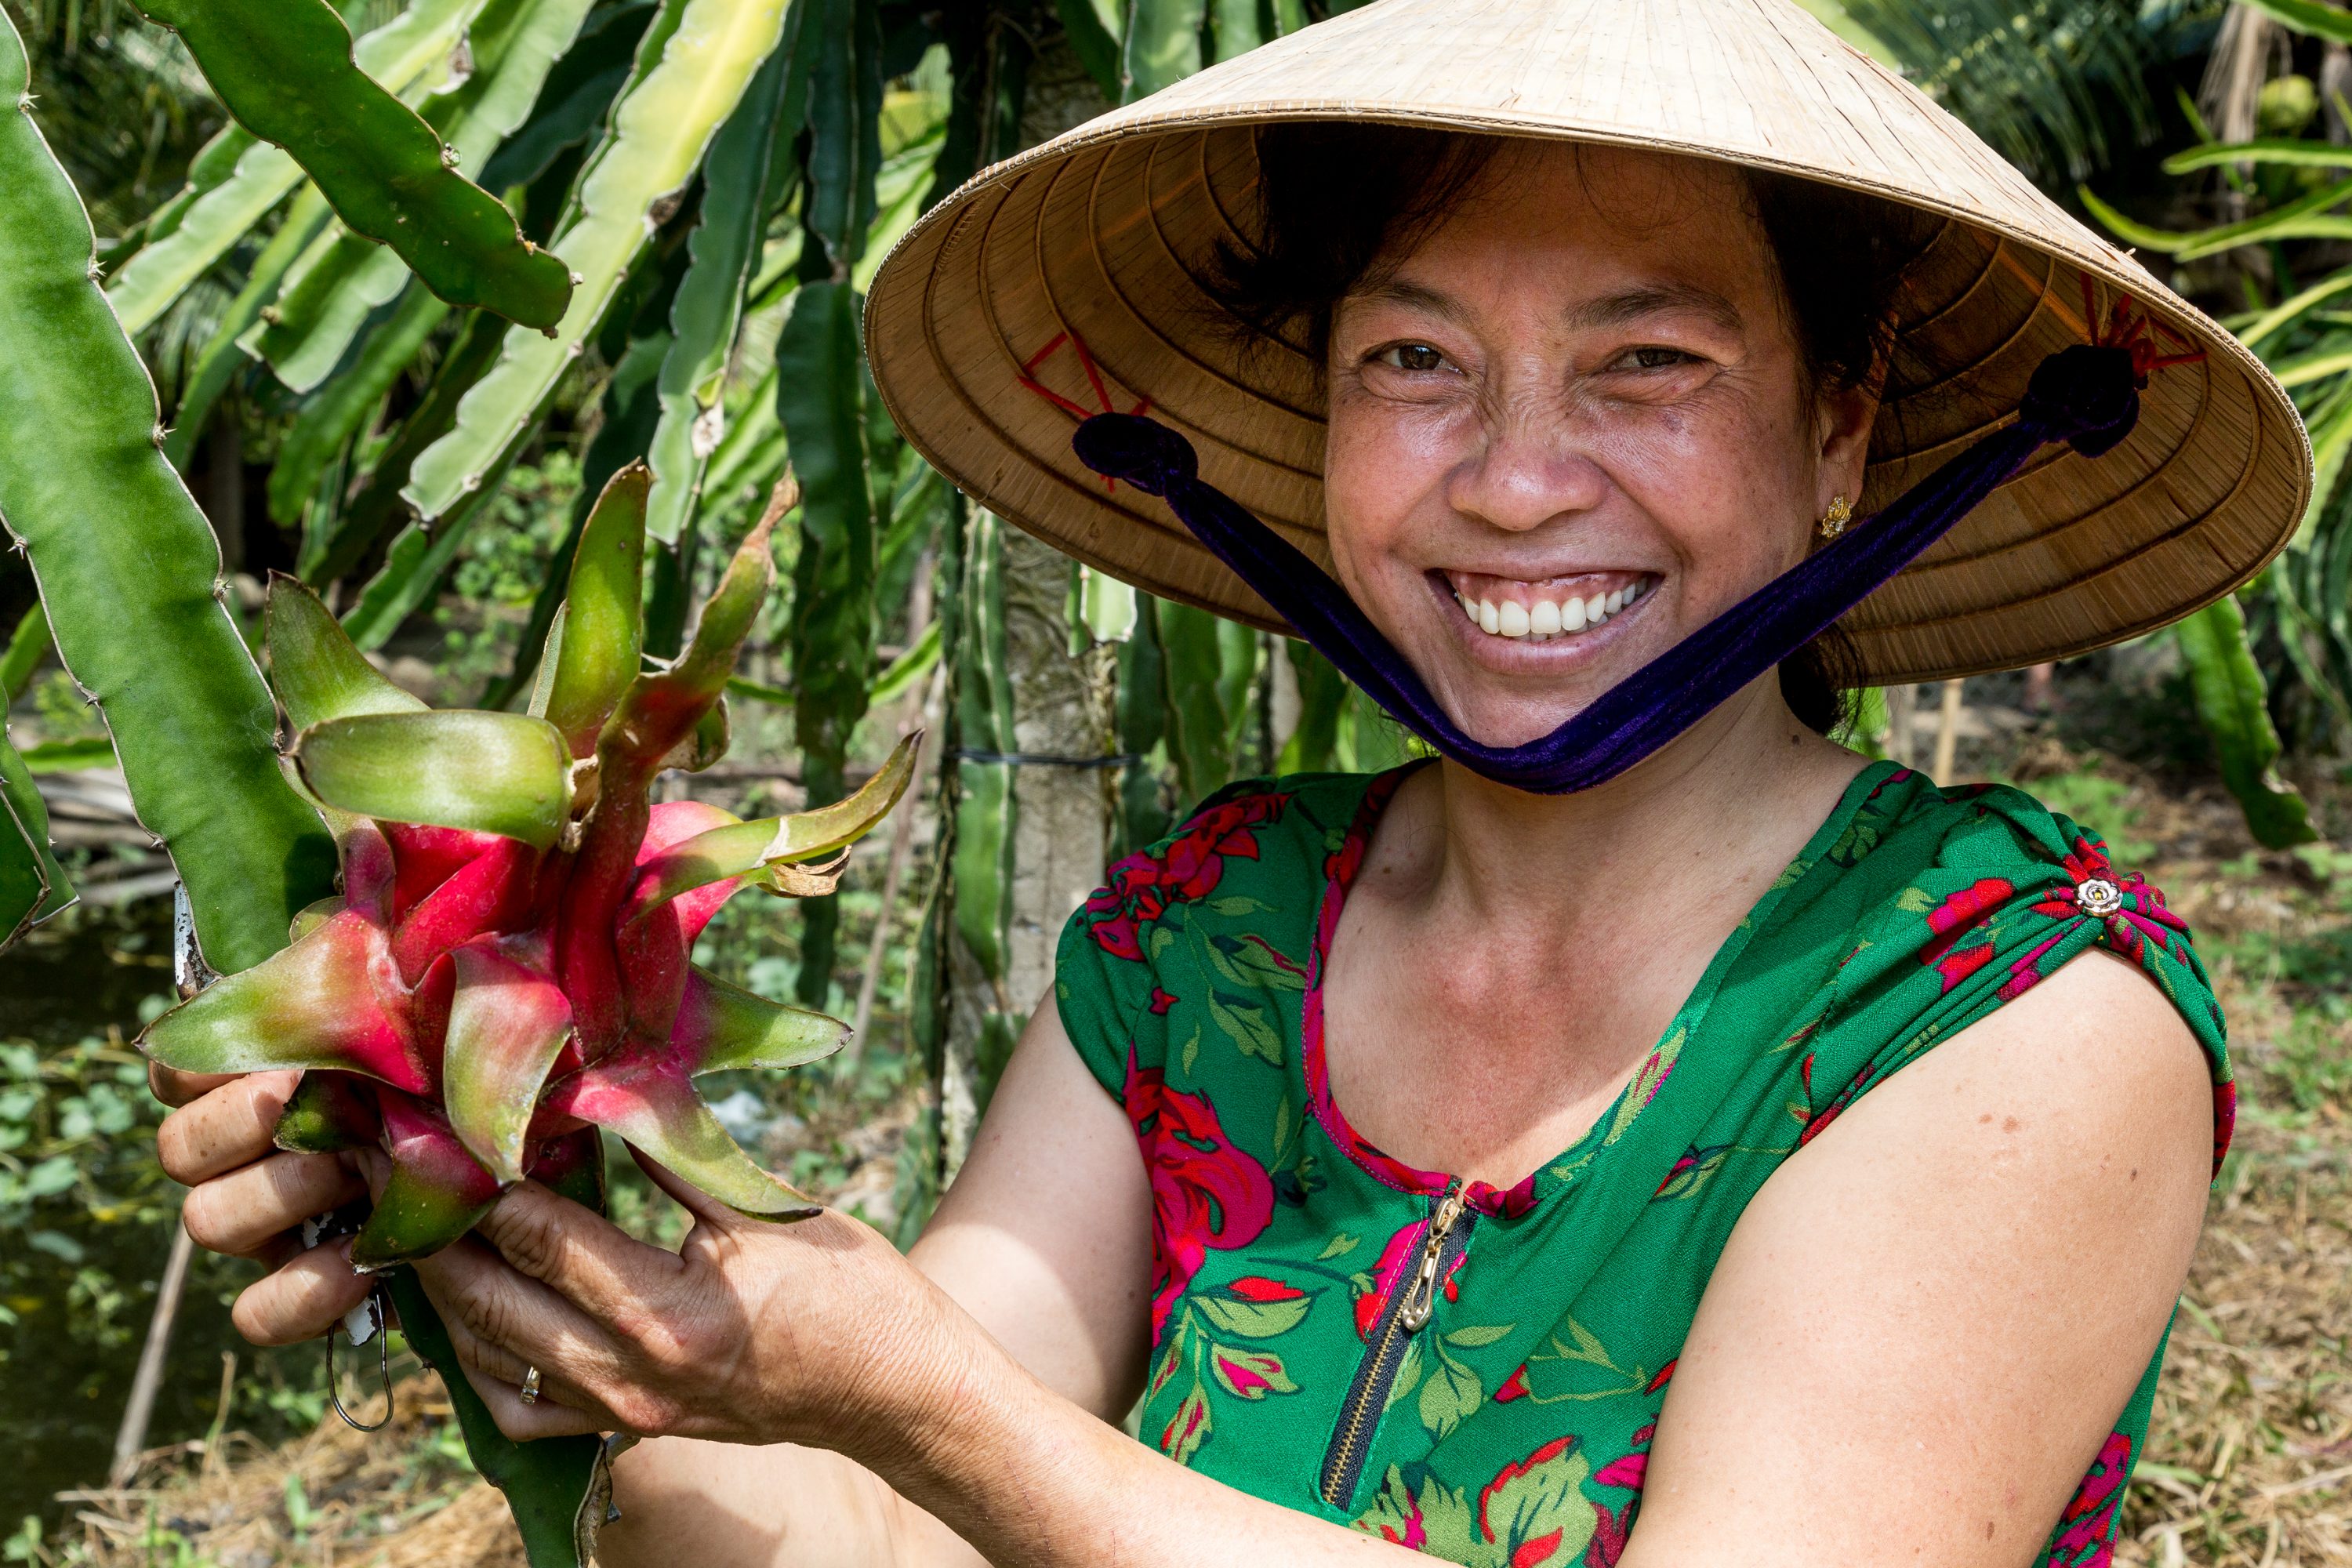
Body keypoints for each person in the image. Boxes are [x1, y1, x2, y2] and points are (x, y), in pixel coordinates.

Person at [149, 1, 2307, 1563]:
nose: (1517, 476)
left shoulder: (2014, 1012)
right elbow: (858, 1523)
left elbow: (945, 1416)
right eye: (1414, 363)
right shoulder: (1205, 930)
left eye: (1652, 362)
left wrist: (922, 1400)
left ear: (1840, 442)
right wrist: (552, 1254)